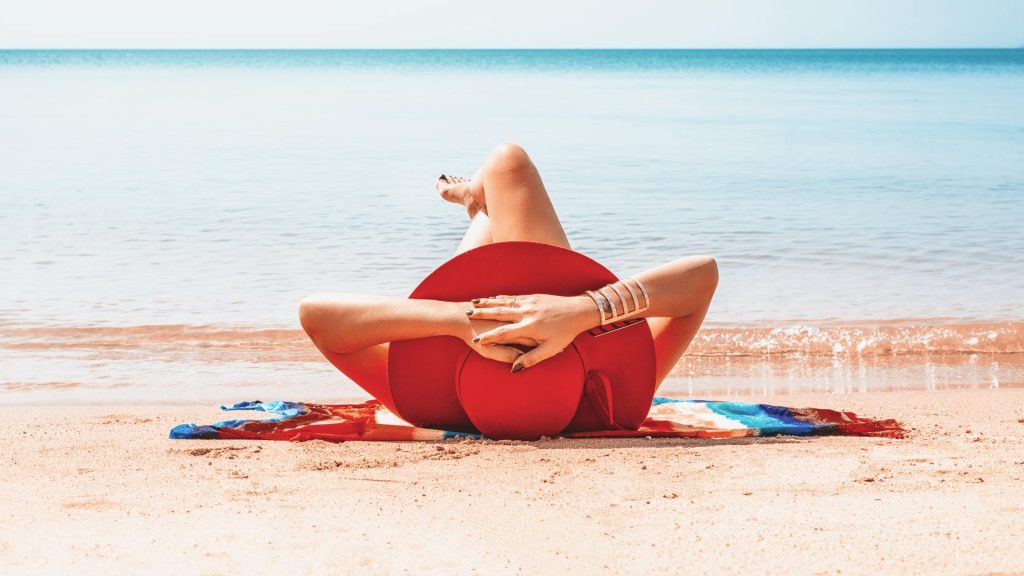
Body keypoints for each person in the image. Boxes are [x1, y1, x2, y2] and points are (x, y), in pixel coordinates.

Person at [298, 143, 718, 416]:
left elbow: (317, 315)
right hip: (552, 299)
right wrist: (579, 311)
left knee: (504, 167)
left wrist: (462, 319)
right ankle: (479, 202)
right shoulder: (615, 405)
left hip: (466, 317)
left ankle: (476, 201)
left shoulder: (425, 408)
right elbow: (702, 276)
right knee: (507, 164)